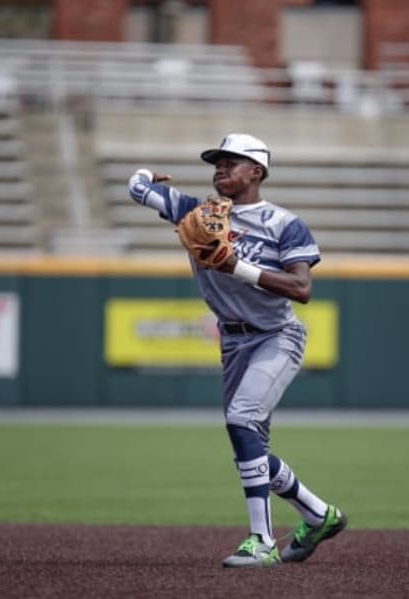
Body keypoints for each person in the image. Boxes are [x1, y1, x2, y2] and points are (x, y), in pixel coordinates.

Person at [128, 133, 347, 568]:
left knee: (241, 420)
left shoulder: (284, 223)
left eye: (232, 162)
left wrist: (236, 266)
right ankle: (319, 514)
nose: (221, 169)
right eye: (217, 163)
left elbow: (302, 288)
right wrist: (147, 176)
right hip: (232, 340)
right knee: (251, 444)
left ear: (257, 172)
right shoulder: (197, 212)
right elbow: (136, 189)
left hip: (276, 335)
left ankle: (261, 541)